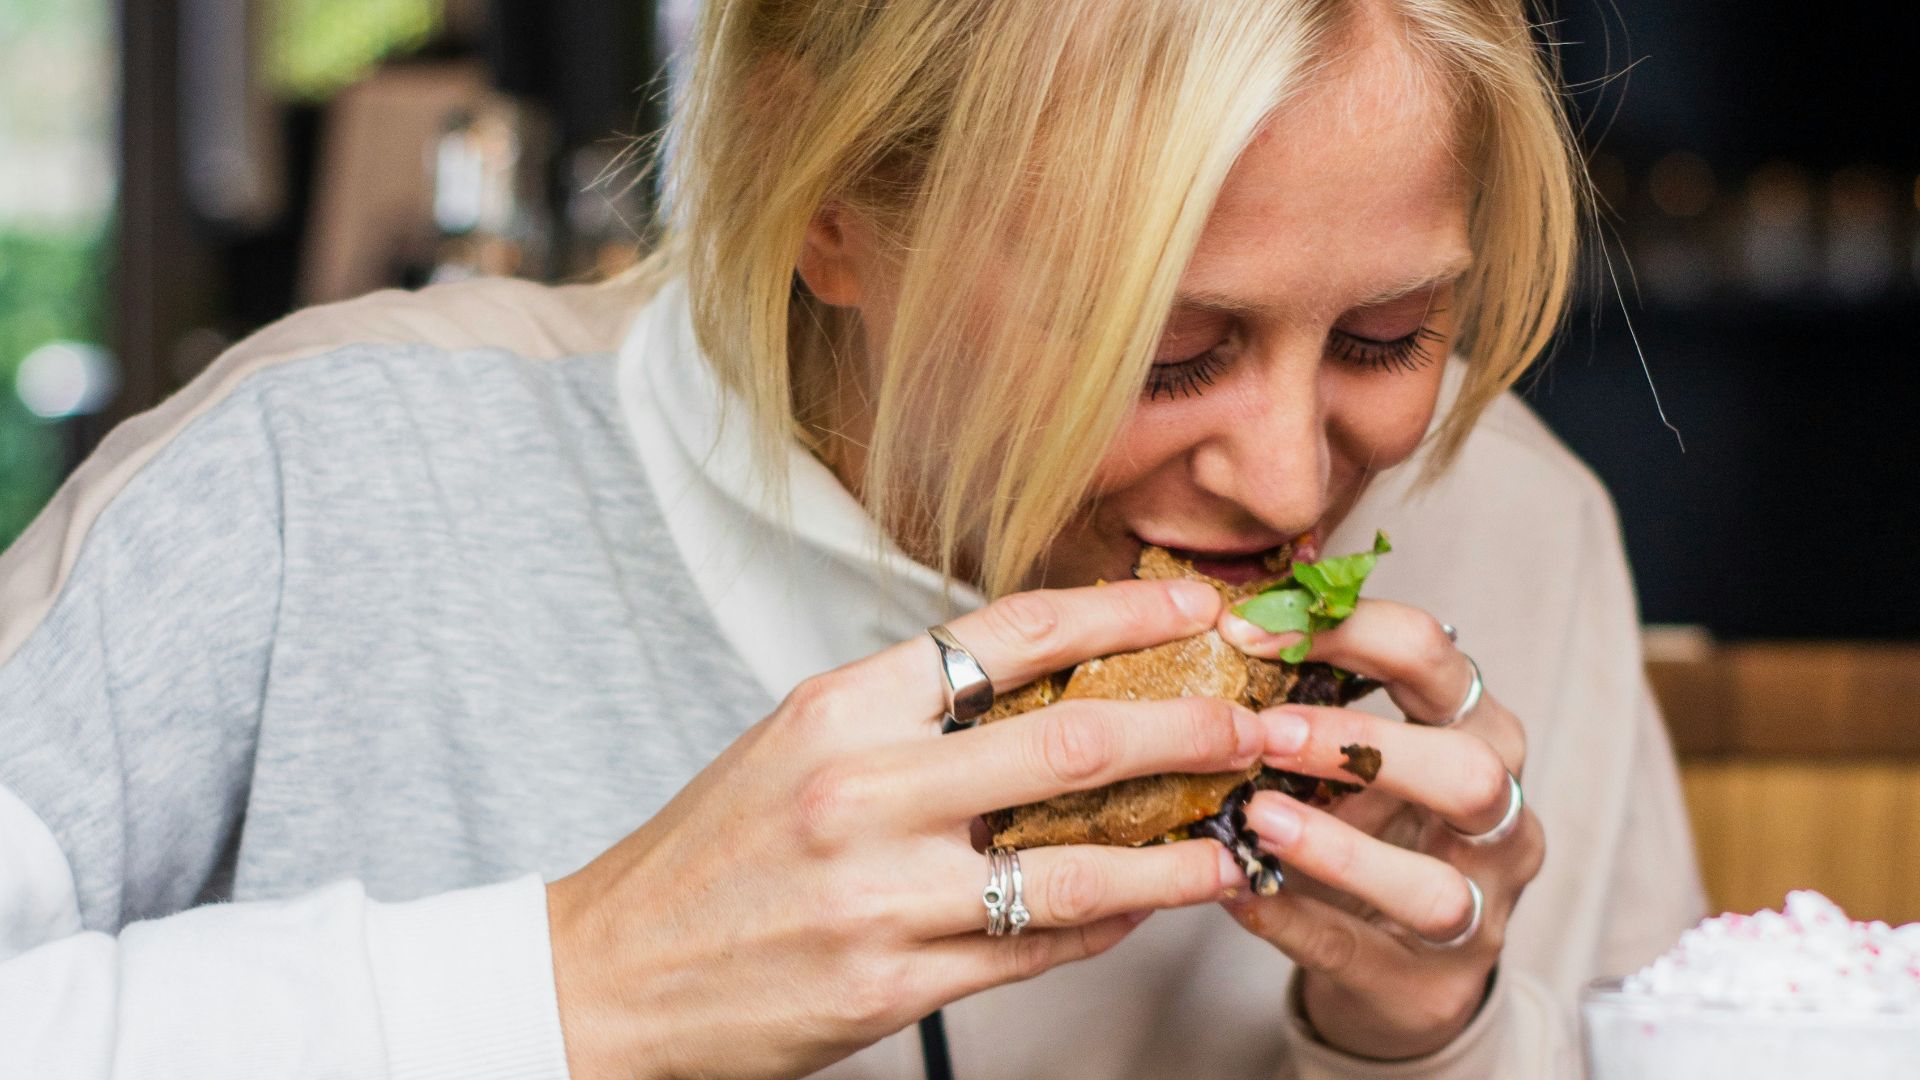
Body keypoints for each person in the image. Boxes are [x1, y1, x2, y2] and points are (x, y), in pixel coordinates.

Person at [0, 0, 1705, 1076]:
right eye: (1159, 350)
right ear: (820, 201)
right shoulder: (321, 478)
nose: (1283, 480)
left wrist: (1429, 1041)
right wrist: (575, 986)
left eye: (1390, 337)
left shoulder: (1520, 525)